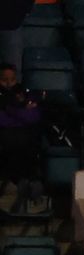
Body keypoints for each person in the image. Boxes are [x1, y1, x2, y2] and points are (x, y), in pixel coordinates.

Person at [0, 64, 45, 217]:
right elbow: (2, 121)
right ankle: (20, 189)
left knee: (28, 142)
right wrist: (22, 112)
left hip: (25, 140)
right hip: (4, 139)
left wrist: (10, 110)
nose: (8, 83)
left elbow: (34, 117)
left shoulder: (25, 94)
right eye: (4, 80)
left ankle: (27, 191)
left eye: (12, 80)